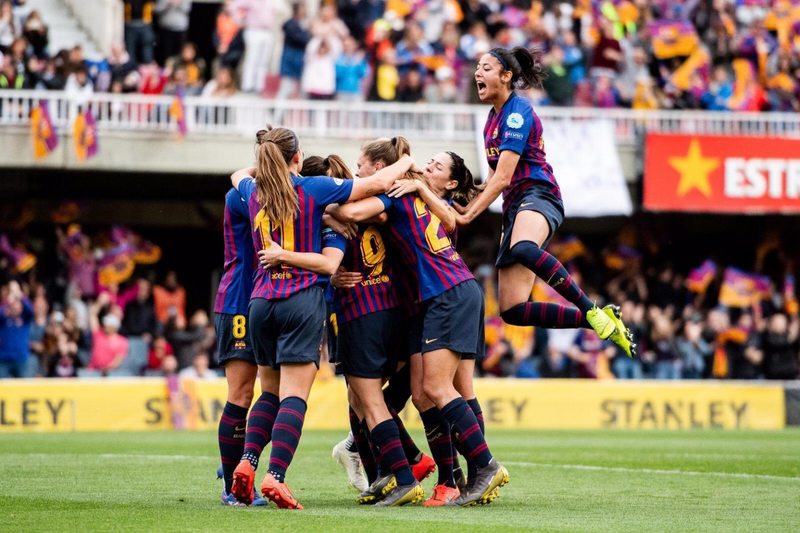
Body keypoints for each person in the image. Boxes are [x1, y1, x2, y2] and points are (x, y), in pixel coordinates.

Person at [229, 126, 417, 509]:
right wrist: (409, 160)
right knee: (294, 397)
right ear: (297, 157)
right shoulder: (313, 187)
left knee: (268, 392)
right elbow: (378, 181)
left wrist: (264, 163)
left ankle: (246, 464)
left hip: (260, 302)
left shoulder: (252, 192)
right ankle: (275, 477)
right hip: (300, 299)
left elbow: (237, 176)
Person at [329, 143, 509, 507]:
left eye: (436, 165)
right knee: (430, 389)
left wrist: (317, 199)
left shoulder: (400, 196)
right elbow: (449, 222)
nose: (429, 167)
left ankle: (480, 468)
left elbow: (352, 209)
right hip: (446, 296)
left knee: (437, 388)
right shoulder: (426, 202)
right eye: (426, 163)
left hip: (444, 295)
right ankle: (459, 478)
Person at [456, 46, 635, 357]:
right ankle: (600, 318)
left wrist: (469, 215)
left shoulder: (518, 111)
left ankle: (589, 308)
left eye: (485, 68)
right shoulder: (490, 120)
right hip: (515, 206)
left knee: (523, 248)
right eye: (477, 68)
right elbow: (492, 180)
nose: (477, 73)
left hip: (539, 195)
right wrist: (462, 196)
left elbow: (503, 178)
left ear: (506, 76)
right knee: (512, 310)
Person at [0, 280, 33, 378]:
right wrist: (7, 301)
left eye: (17, 303)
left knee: (24, 390)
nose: (15, 306)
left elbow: (30, 310)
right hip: (3, 359)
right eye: (13, 304)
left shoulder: (25, 317)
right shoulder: (4, 317)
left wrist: (20, 296)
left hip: (21, 359)